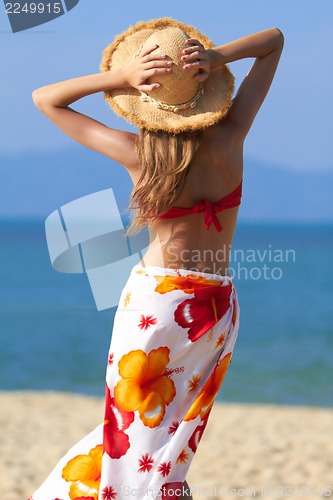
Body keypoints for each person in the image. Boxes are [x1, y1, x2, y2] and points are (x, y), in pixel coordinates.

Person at [30, 17, 284, 500]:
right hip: (215, 305)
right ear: (205, 87)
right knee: (174, 434)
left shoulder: (138, 153)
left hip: (157, 302)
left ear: (146, 101)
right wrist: (218, 57)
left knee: (129, 423)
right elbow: (273, 41)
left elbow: (47, 98)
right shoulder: (232, 137)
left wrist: (121, 78)